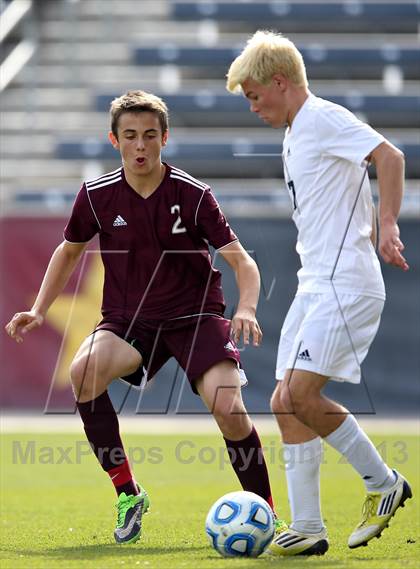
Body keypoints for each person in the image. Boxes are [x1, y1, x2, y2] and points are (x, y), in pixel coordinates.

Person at [5, 90, 282, 545]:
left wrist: (246, 307)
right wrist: (38, 309)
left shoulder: (193, 196)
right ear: (113, 140)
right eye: (130, 135)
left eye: (149, 135)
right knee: (83, 372)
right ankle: (128, 493)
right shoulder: (96, 196)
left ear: (164, 138)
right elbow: (68, 251)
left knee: (229, 409)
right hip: (129, 320)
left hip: (195, 316)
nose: (140, 145)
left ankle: (267, 515)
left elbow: (242, 262)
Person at [226, 31, 412, 556]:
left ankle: (382, 484)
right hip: (315, 284)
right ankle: (308, 526)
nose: (253, 107)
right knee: (283, 402)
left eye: (255, 96)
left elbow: (390, 155)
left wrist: (388, 224)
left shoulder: (322, 117)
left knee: (302, 395)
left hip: (347, 283)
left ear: (280, 83)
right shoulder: (294, 130)